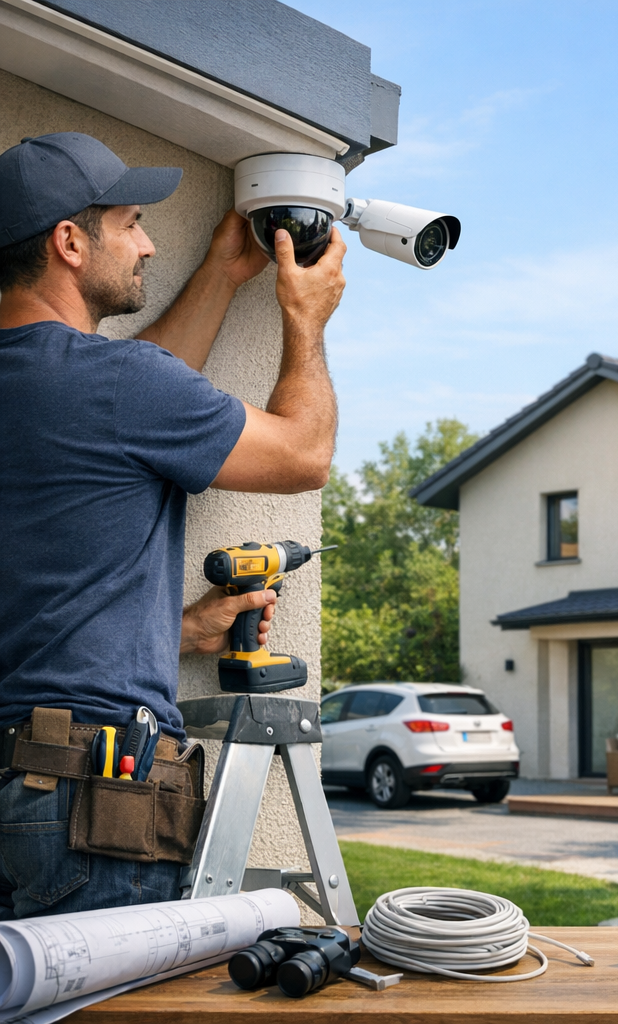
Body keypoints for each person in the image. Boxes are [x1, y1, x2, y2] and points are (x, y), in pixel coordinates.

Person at [0, 132, 344, 919]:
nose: (150, 242)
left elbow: (130, 406)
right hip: (86, 808)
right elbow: (303, 453)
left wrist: (222, 274)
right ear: (70, 243)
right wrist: (306, 317)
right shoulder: (118, 386)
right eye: (130, 223)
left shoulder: (61, 390)